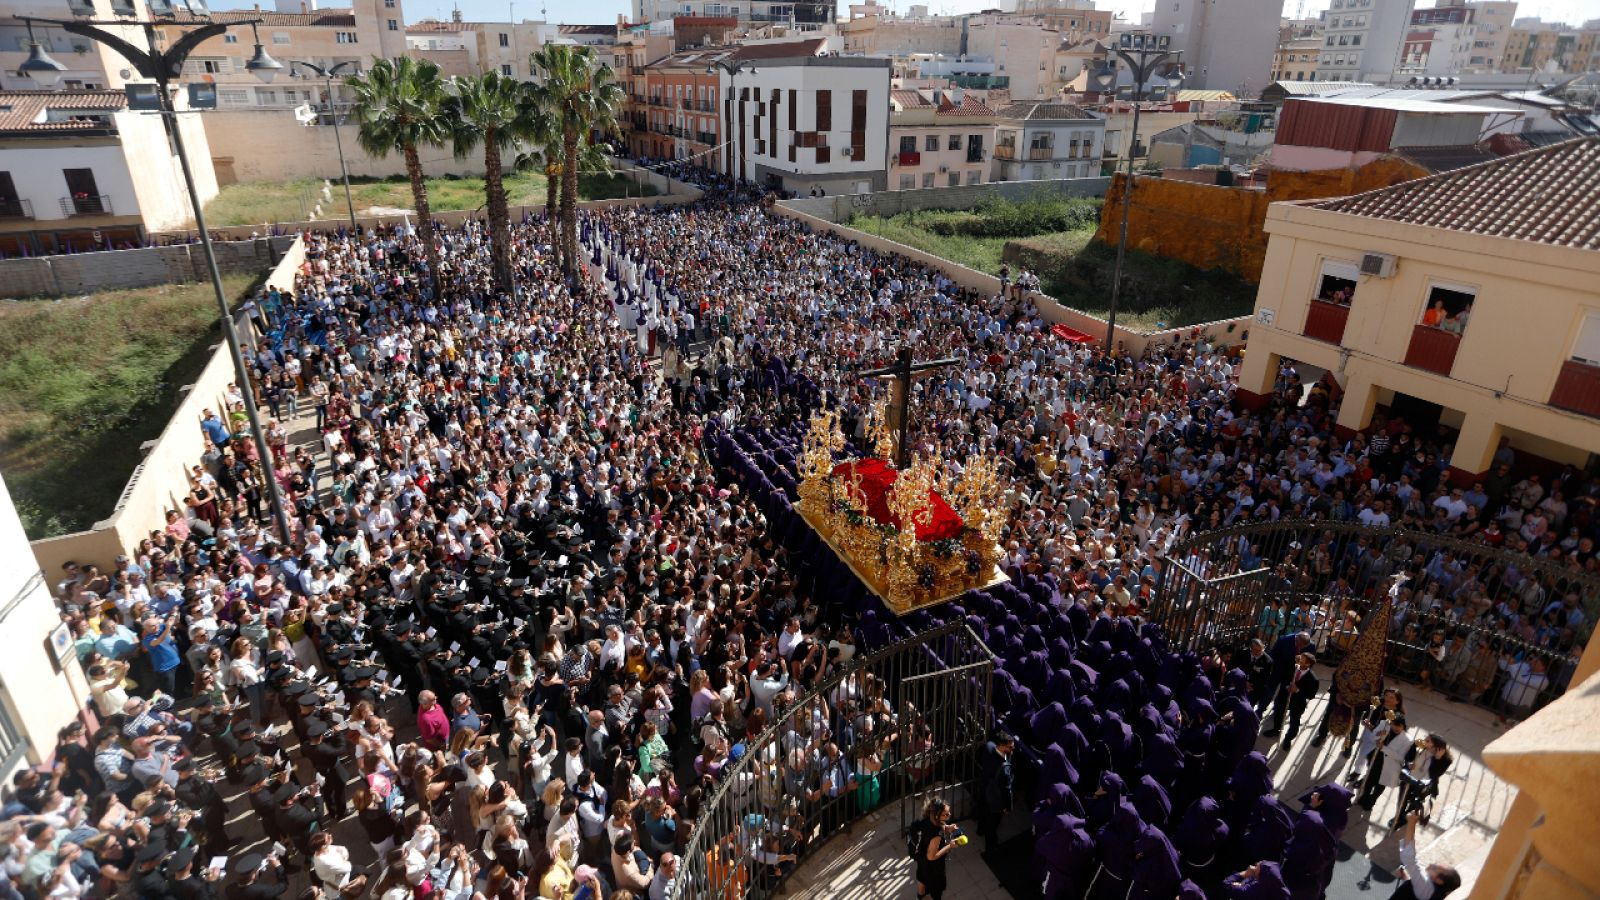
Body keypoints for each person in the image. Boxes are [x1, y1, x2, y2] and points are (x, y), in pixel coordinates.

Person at [1391, 811, 1462, 899]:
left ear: (1439, 880)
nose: (1430, 865)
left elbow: (1408, 858)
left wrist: (1411, 823)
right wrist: (1407, 878)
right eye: (1435, 864)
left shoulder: (1427, 887)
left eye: (1435, 868)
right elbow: (1420, 889)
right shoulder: (1435, 892)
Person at [912, 798, 962, 900]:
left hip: (921, 856)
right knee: (936, 888)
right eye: (946, 814)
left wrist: (947, 827)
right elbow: (931, 856)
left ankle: (920, 896)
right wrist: (950, 846)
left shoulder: (928, 818)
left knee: (921, 877)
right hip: (932, 866)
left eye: (949, 812)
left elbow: (937, 826)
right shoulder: (936, 836)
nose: (949, 815)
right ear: (937, 816)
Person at [977, 732, 1016, 853]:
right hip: (995, 800)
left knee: (983, 812)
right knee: (992, 824)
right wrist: (1007, 807)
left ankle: (980, 829)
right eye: (1010, 747)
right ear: (1001, 746)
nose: (1013, 749)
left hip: (984, 789)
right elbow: (1006, 791)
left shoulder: (989, 746)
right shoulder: (1004, 770)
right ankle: (991, 847)